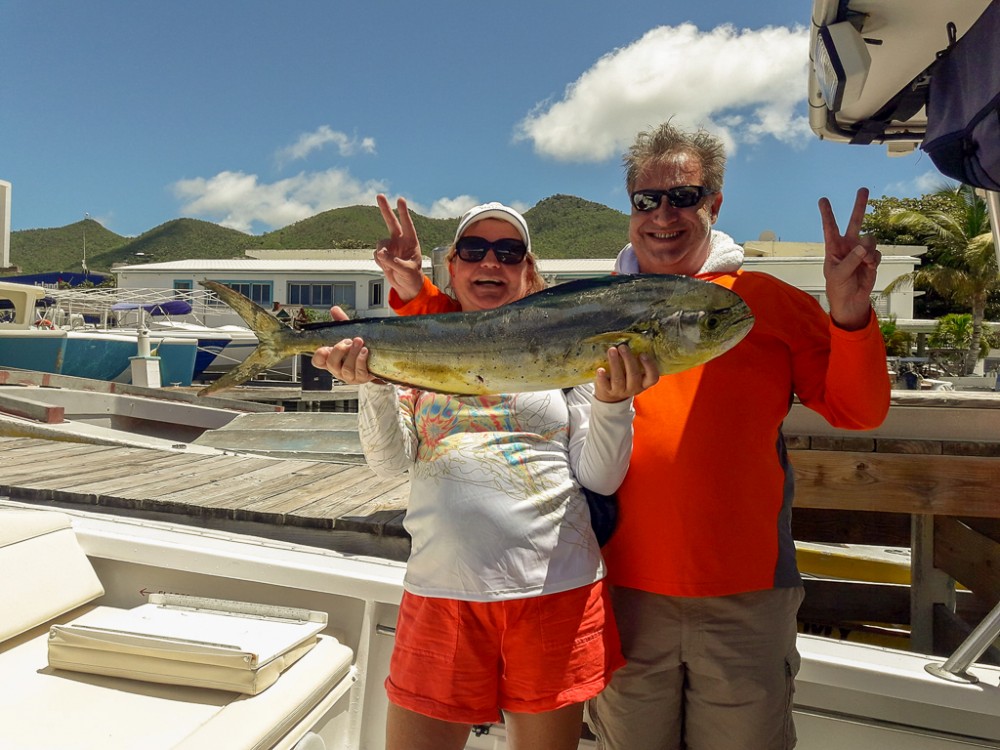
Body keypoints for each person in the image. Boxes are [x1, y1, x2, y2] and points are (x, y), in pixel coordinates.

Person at [372, 123, 892, 749]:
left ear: (714, 205)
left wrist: (850, 314)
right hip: (620, 589)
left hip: (744, 591)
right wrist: (414, 294)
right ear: (631, 211)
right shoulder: (596, 301)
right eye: (648, 200)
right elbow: (494, 343)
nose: (664, 215)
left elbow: (857, 413)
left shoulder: (766, 303)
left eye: (685, 197)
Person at [312, 198, 660, 750]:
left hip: (556, 592)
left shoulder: (572, 349)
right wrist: (373, 388)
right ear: (451, 267)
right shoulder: (419, 349)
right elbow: (388, 465)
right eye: (473, 250)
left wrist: (617, 404)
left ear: (528, 269)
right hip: (441, 591)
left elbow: (600, 478)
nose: (489, 263)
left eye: (508, 251)